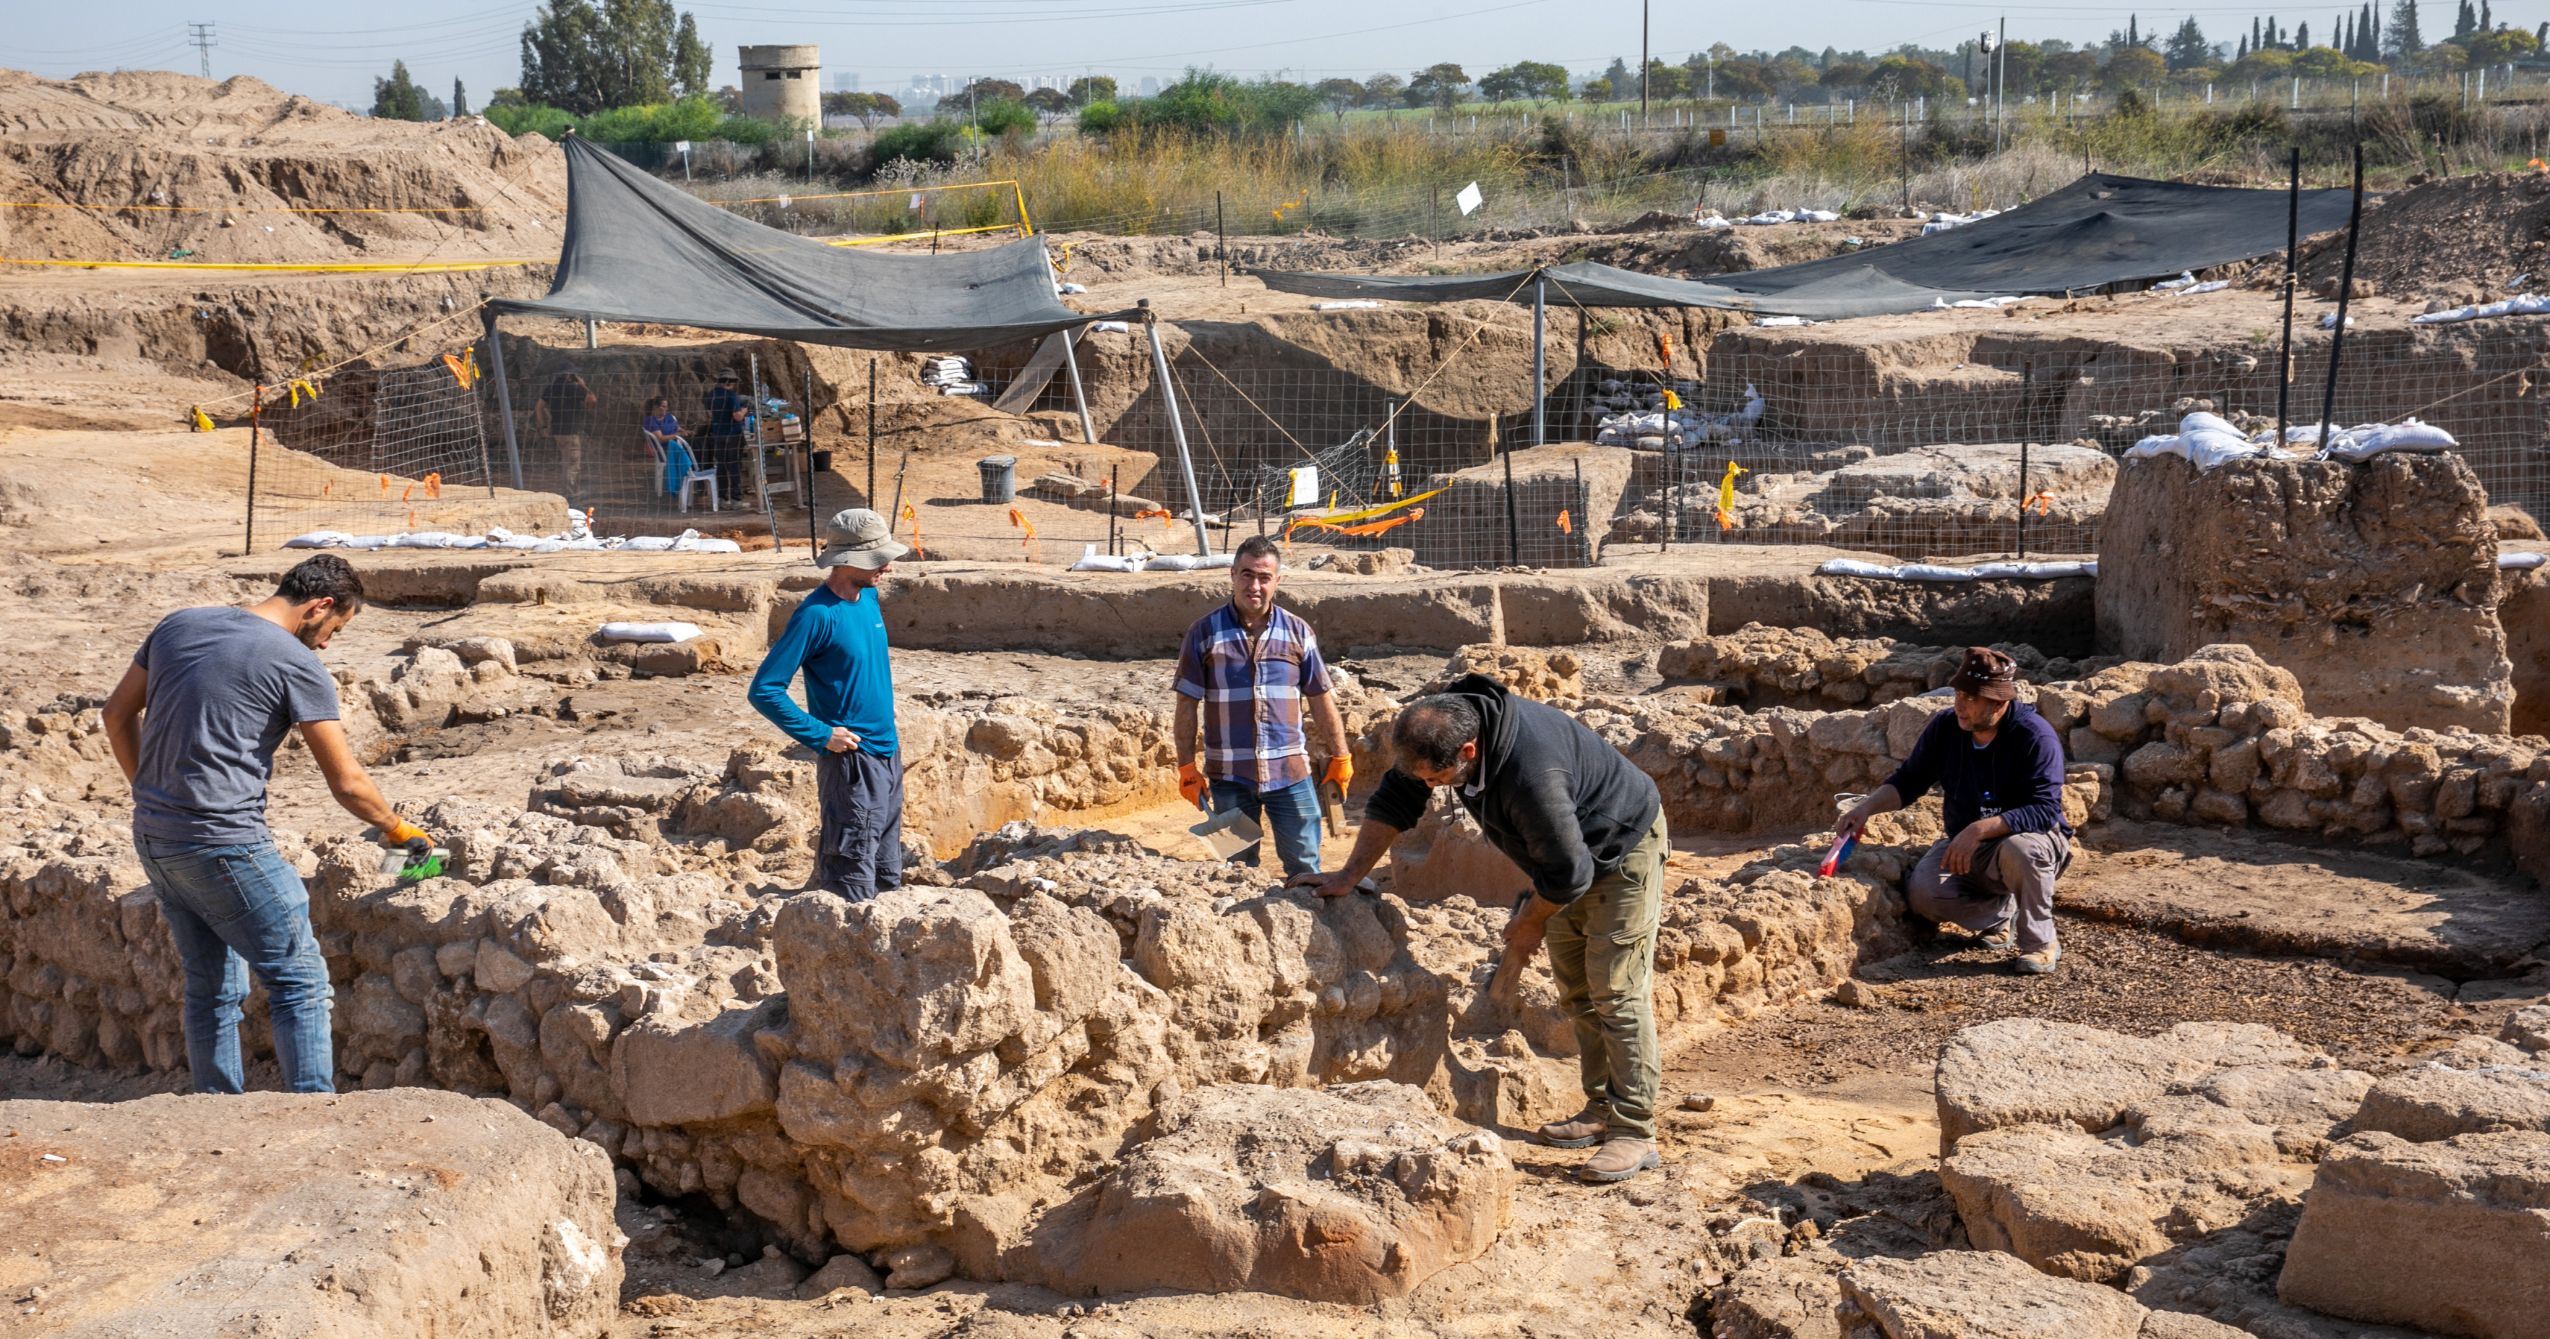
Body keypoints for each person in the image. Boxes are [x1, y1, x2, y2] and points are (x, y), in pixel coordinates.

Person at [1294, 676, 1668, 1184]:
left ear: (1469, 750)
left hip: (1620, 848)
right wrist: (1348, 875)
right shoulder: (1433, 734)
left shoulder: (1532, 773)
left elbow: (1571, 873)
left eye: (1436, 778)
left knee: (1616, 992)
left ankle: (1634, 1130)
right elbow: (1394, 803)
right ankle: (1601, 1107)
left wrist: (1529, 923)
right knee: (1579, 992)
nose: (1428, 786)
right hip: (1561, 859)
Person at [100, 555, 431, 1095]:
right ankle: (309, 1117)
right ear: (320, 606)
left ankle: (216, 1109)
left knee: (210, 988)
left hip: (155, 837)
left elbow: (115, 716)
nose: (327, 643)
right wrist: (401, 832)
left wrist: (151, 795)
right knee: (300, 982)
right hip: (225, 843)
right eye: (335, 629)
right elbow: (347, 782)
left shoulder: (179, 624)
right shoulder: (297, 664)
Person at [1835, 647, 2072, 975]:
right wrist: (1865, 809)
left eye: (1972, 698)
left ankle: (2040, 944)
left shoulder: (2034, 736)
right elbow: (1910, 780)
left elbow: (2044, 810)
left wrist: (1977, 830)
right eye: (1959, 693)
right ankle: (2002, 913)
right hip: (1969, 844)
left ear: (1999, 703)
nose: (1960, 704)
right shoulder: (1946, 728)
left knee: (2020, 850)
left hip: (2028, 840)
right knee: (1924, 893)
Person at [750, 508, 909, 900]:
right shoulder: (815, 615)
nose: (887, 568)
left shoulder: (868, 598)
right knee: (850, 881)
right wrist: (821, 735)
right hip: (852, 764)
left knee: (887, 873)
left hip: (887, 754)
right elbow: (765, 689)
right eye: (877, 560)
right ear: (847, 560)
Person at [1172, 535, 1353, 877]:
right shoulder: (1203, 633)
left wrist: (1341, 756)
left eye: (1264, 577)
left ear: (1277, 581)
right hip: (1228, 778)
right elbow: (1186, 703)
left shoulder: (1299, 632)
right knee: (1237, 871)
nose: (1254, 585)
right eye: (1247, 574)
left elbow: (1320, 697)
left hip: (1290, 775)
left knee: (1306, 867)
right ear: (1232, 575)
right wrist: (1186, 767)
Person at [533, 366, 598, 502]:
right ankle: (570, 494)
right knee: (572, 463)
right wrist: (583, 386)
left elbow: (539, 407)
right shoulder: (574, 388)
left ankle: (570, 491)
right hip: (571, 430)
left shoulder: (551, 388)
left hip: (556, 430)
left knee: (566, 461)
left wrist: (542, 426)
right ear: (570, 375)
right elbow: (592, 400)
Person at [701, 369, 752, 508]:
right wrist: (745, 410)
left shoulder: (711, 395)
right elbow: (737, 416)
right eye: (733, 382)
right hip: (733, 435)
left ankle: (723, 499)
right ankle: (737, 500)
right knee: (734, 467)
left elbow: (709, 414)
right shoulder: (731, 396)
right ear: (729, 382)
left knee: (722, 467)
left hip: (717, 435)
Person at [641, 396, 700, 500]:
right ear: (655, 407)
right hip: (666, 450)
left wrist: (686, 432)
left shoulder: (669, 417)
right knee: (697, 449)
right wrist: (677, 435)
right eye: (663, 406)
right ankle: (694, 473)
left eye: (666, 407)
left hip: (677, 443)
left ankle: (696, 475)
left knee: (699, 442)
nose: (665, 409)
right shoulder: (650, 420)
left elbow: (678, 429)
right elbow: (660, 438)